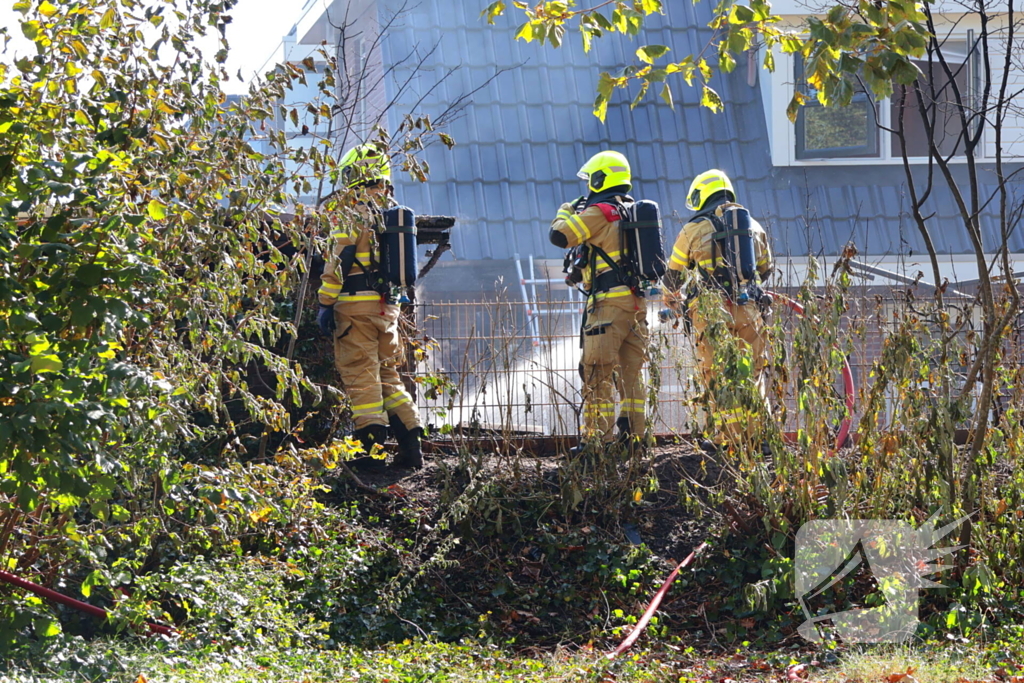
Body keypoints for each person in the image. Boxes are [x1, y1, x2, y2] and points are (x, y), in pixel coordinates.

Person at [317, 144, 422, 472]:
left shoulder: (352, 211)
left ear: (354, 174)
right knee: (389, 377)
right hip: (386, 310)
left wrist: (325, 303)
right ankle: (411, 449)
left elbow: (340, 259)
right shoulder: (389, 209)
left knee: (361, 377)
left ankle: (370, 454)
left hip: (354, 309)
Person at [661, 169, 774, 454]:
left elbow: (672, 277)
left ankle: (728, 440)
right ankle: (760, 439)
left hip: (711, 313)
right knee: (754, 373)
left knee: (718, 374)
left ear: (702, 196)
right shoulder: (754, 226)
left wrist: (671, 302)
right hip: (749, 310)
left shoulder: (693, 229)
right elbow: (765, 269)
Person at [549, 150, 649, 454]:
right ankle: (635, 441)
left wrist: (566, 211)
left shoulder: (601, 211)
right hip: (636, 306)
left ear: (600, 178)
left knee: (597, 373)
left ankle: (597, 445)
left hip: (607, 307)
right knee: (632, 376)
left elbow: (560, 236)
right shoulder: (632, 211)